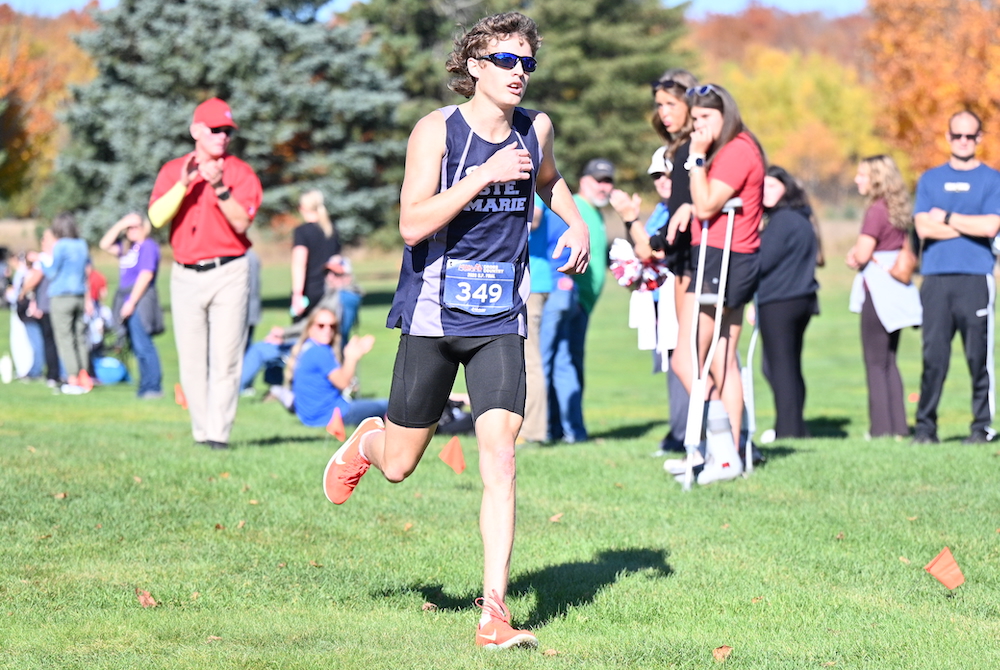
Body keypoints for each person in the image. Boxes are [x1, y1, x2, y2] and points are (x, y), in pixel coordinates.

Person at [322, 12, 589, 650]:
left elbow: (549, 183)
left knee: (500, 455)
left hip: (500, 317)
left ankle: (493, 609)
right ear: (474, 66)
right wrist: (481, 179)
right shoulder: (438, 132)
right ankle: (369, 441)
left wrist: (575, 223)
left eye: (526, 62)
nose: (518, 73)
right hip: (432, 317)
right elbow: (412, 225)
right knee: (400, 466)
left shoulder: (537, 128)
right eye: (505, 60)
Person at [148, 97, 263, 450]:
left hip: (229, 271)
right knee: (192, 362)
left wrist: (219, 187)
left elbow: (243, 221)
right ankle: (201, 433)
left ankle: (218, 434)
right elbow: (155, 218)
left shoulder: (240, 173)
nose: (223, 136)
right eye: (216, 130)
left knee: (225, 359)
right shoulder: (173, 170)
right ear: (196, 131)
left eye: (227, 131)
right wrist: (183, 185)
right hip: (185, 275)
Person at [668, 83, 765, 482]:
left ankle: (720, 448)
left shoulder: (737, 149)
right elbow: (705, 200)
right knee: (723, 358)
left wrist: (695, 157)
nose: (698, 127)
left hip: (724, 255)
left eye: (706, 119)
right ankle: (731, 455)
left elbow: (708, 203)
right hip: (726, 254)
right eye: (694, 120)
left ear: (726, 117)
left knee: (689, 356)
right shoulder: (733, 149)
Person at [912, 111, 1000, 444]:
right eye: (957, 136)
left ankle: (982, 427)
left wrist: (946, 218)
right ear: (948, 137)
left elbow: (991, 226)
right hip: (935, 278)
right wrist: (969, 225)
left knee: (979, 357)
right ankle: (925, 428)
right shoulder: (930, 180)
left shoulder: (992, 180)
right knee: (933, 357)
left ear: (979, 139)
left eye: (970, 136)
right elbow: (922, 227)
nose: (963, 141)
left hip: (976, 277)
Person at [610, 147, 688, 454]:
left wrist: (630, 219)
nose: (663, 180)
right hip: (661, 300)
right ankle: (680, 431)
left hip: (679, 298)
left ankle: (686, 434)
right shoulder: (661, 209)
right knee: (674, 364)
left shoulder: (679, 209)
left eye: (668, 173)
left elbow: (652, 252)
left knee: (684, 364)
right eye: (656, 175)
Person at [846, 155, 921, 440]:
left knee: (875, 362)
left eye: (862, 175)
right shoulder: (898, 208)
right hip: (897, 293)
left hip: (877, 292)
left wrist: (853, 256)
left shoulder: (876, 210)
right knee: (890, 360)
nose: (857, 180)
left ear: (876, 178)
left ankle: (880, 429)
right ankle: (898, 426)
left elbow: (862, 254)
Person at [539, 158, 613, 443]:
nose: (604, 186)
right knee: (549, 362)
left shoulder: (594, 212)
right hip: (566, 293)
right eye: (598, 180)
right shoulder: (574, 207)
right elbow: (554, 243)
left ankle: (566, 430)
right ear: (583, 181)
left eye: (608, 181)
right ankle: (544, 428)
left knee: (565, 363)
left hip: (577, 301)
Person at [756, 165, 821, 440]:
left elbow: (761, 263)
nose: (765, 192)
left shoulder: (783, 221)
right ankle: (795, 426)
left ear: (786, 188)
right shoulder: (802, 218)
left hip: (780, 301)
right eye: (762, 186)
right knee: (788, 366)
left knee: (778, 367)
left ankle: (789, 430)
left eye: (772, 186)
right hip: (800, 300)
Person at [98, 212, 164, 399]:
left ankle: (153, 386)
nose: (132, 230)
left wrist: (131, 302)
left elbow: (146, 275)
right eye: (129, 228)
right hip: (126, 296)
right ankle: (145, 386)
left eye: (136, 226)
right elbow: (104, 244)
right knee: (135, 344)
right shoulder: (129, 248)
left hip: (140, 297)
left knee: (144, 344)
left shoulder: (148, 247)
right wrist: (121, 223)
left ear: (145, 228)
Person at [288, 307, 388, 427]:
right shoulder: (320, 351)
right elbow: (343, 383)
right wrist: (351, 357)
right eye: (321, 325)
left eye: (332, 326)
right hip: (331, 416)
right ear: (310, 328)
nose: (327, 330)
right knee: (388, 405)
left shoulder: (308, 347)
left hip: (310, 417)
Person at [43, 213, 93, 395]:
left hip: (61, 296)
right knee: (79, 337)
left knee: (65, 338)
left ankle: (72, 379)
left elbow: (51, 272)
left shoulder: (61, 245)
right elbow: (87, 271)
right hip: (79, 296)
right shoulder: (82, 245)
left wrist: (42, 260)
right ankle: (84, 376)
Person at [519, 195, 552, 444]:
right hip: (510, 280)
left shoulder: (532, 173)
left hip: (531, 283)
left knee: (529, 358)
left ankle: (532, 431)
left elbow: (536, 218)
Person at [290, 190, 341, 322]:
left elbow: (299, 264)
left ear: (302, 208)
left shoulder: (302, 232)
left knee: (302, 334)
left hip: (309, 291)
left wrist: (297, 294)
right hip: (330, 290)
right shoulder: (332, 230)